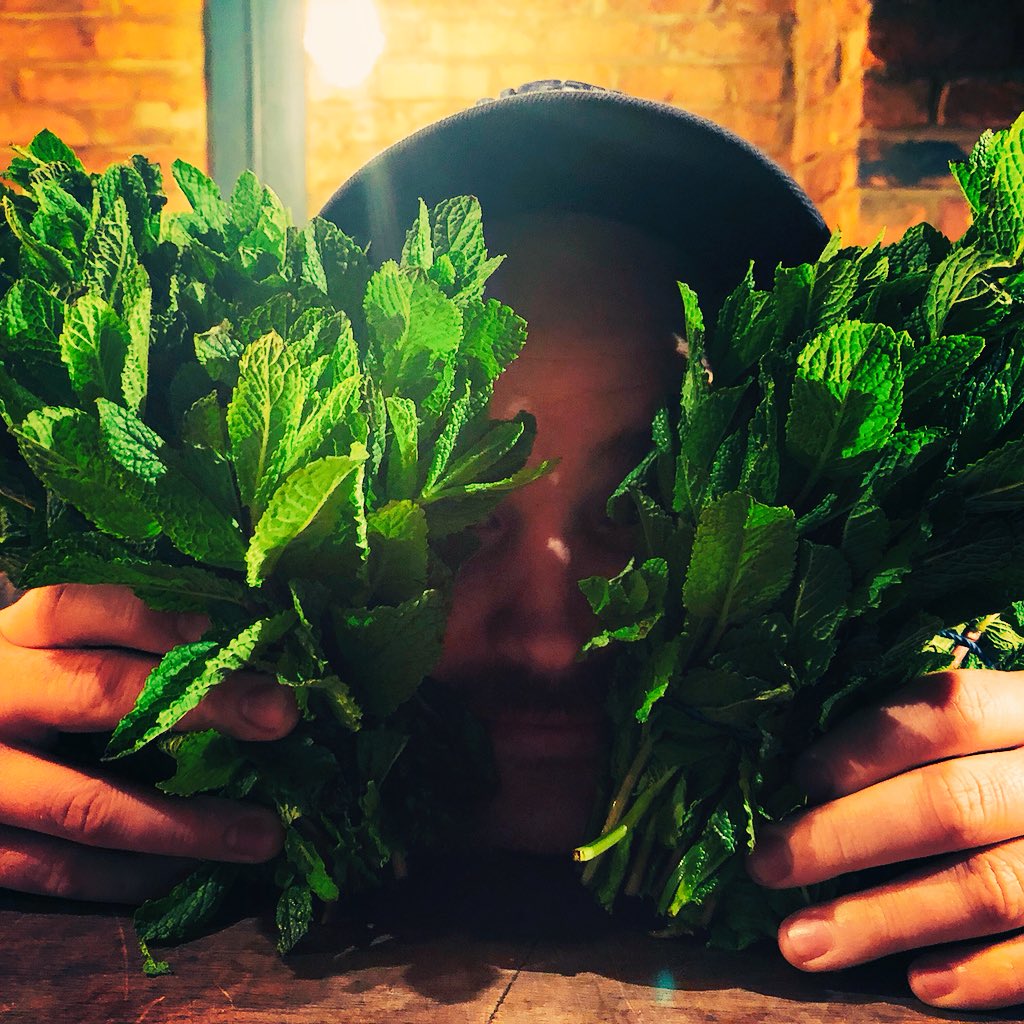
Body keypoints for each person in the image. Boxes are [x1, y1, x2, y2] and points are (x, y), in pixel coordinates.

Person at [0, 81, 1021, 1012]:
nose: (549, 637)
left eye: (645, 498)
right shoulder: (183, 745)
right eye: (452, 515)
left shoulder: (941, 690)